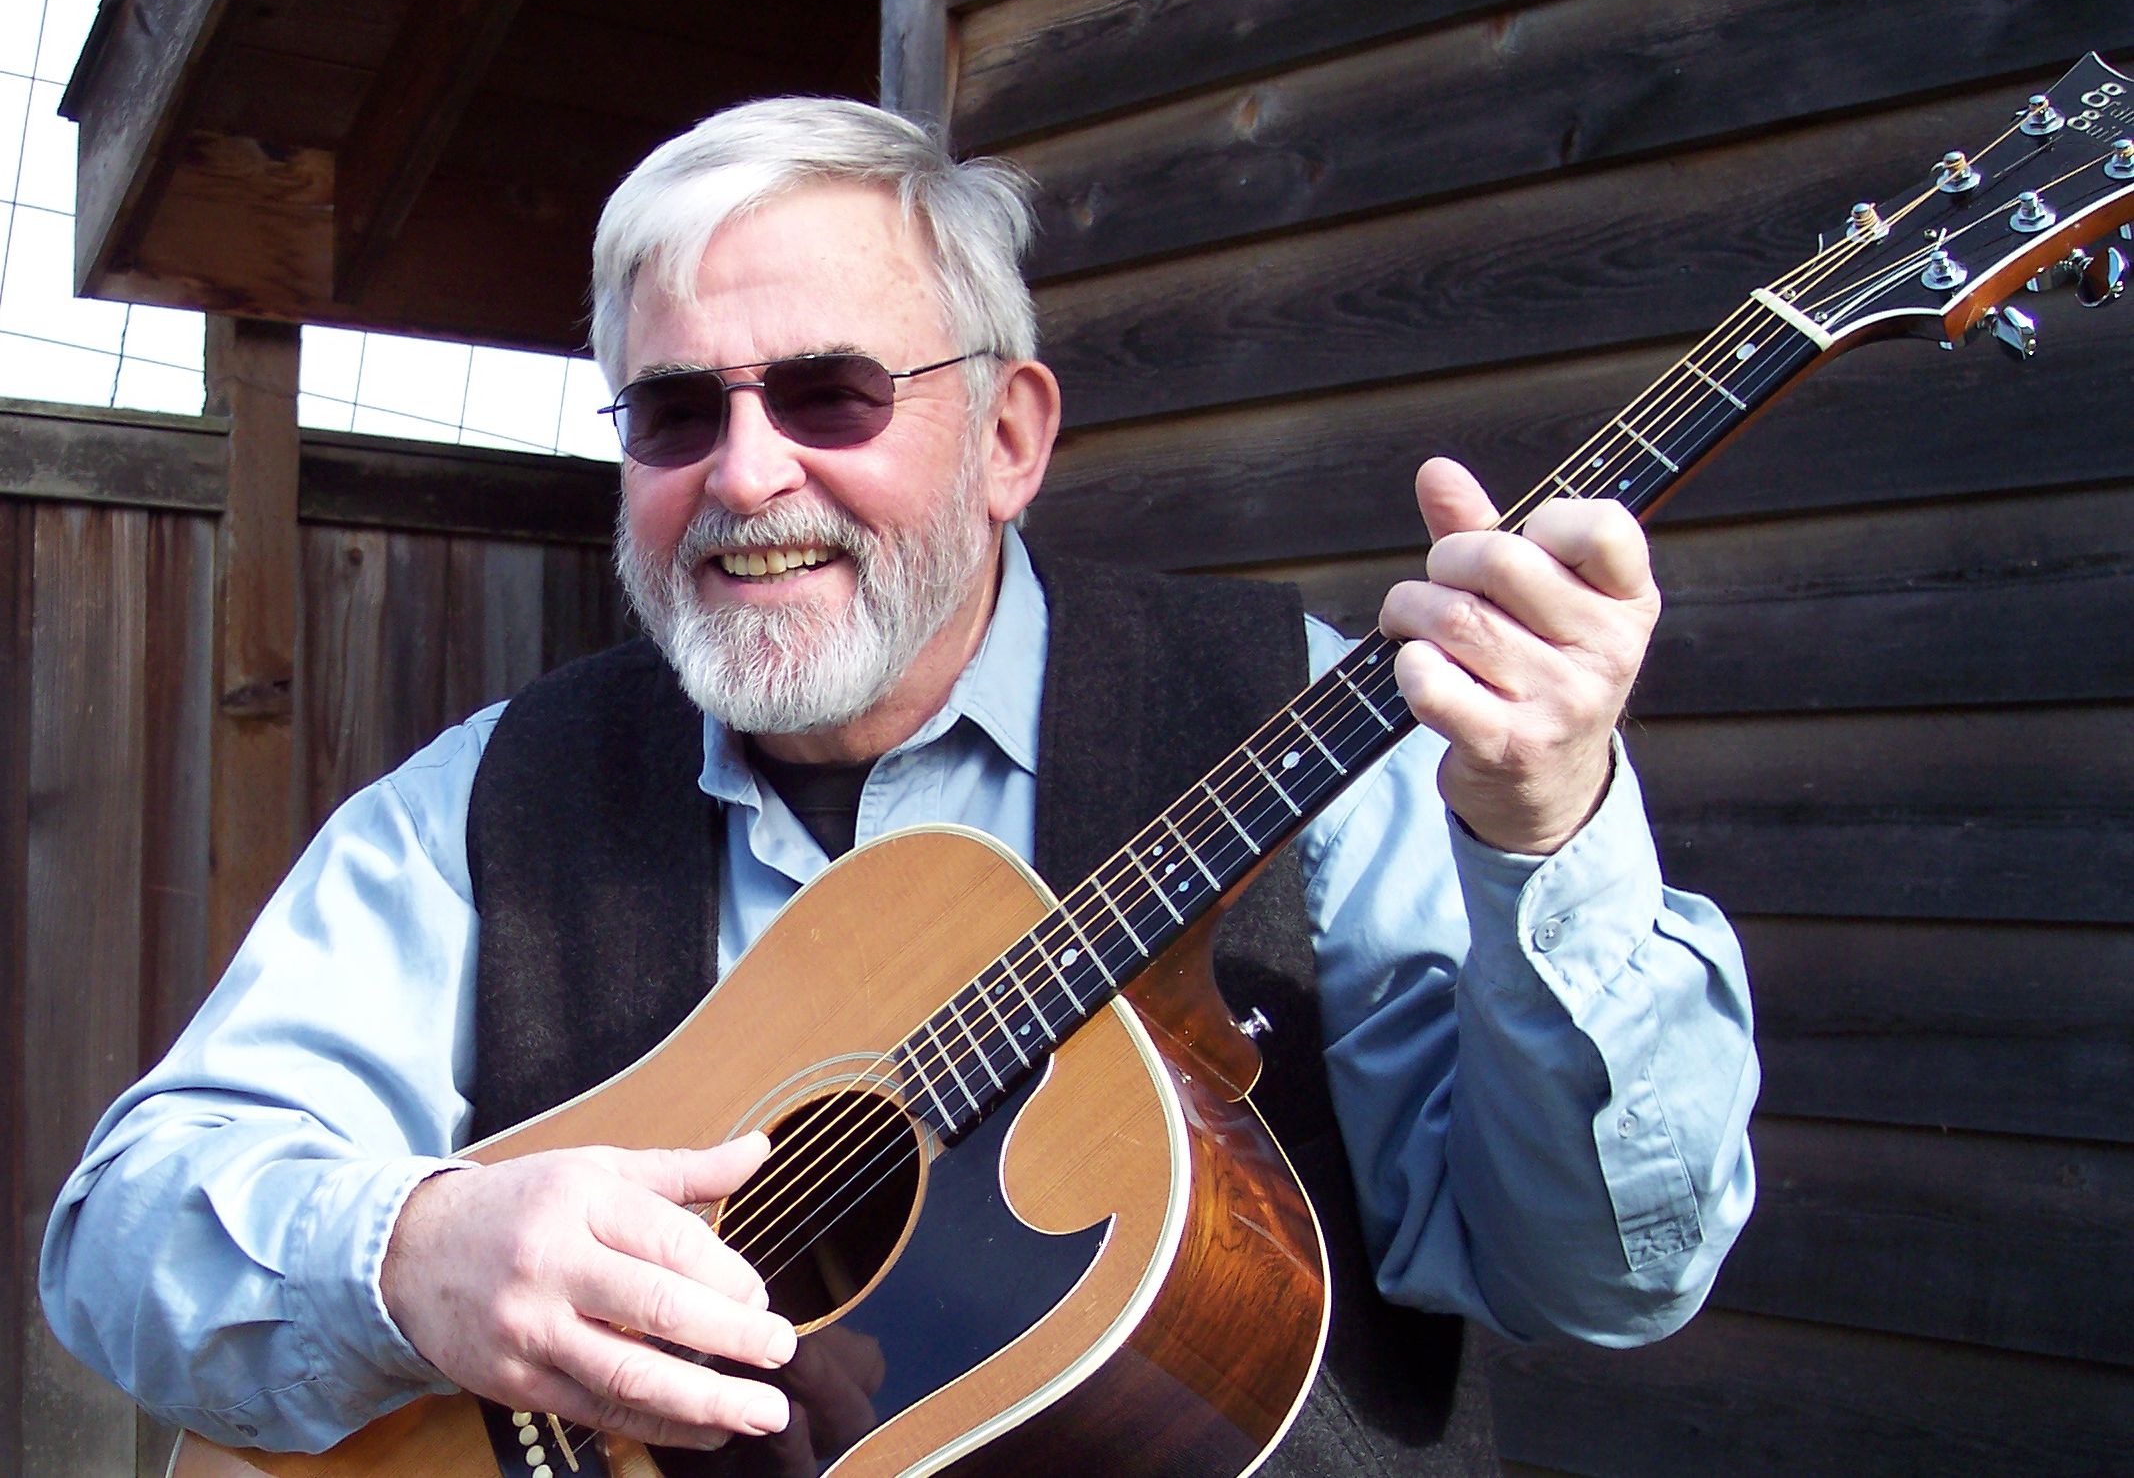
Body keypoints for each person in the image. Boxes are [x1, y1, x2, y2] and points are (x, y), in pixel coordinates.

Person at [41, 99, 1757, 1472]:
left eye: (828, 391)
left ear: (1009, 436)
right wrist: (408, 1256)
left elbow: (1597, 1279)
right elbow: (123, 1229)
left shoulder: (1327, 728)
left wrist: (1546, 834)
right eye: (671, 414)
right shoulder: (484, 808)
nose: (749, 471)